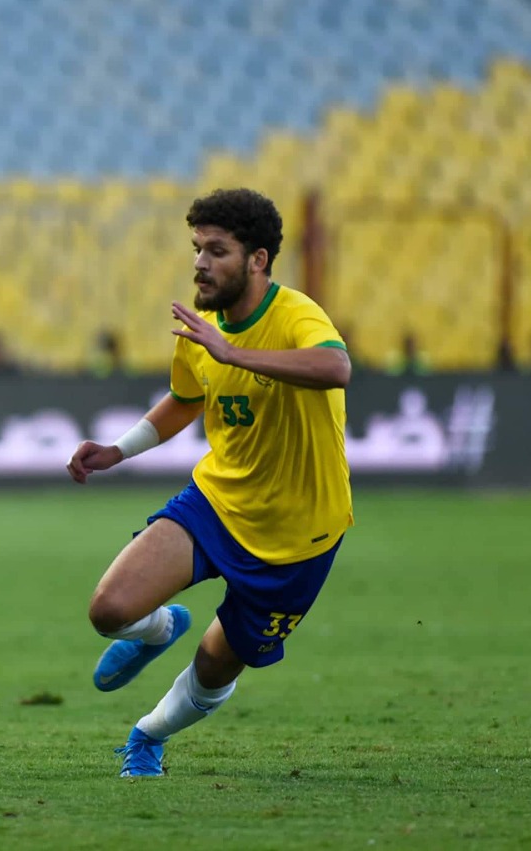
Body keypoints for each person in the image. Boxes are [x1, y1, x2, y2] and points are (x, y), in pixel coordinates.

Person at [66, 188, 352, 778]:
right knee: (108, 610)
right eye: (197, 248)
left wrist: (234, 353)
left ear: (258, 260)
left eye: (216, 251)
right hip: (218, 504)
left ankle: (147, 735)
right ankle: (159, 629)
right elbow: (184, 399)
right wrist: (118, 450)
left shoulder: (296, 315)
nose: (199, 263)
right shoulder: (200, 332)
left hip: (299, 537)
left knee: (217, 664)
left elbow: (336, 367)